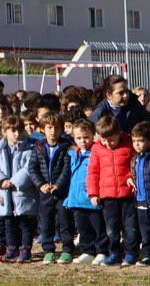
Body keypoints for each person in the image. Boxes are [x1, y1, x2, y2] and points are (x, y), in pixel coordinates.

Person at [88, 114, 136, 266]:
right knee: (111, 228)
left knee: (130, 227)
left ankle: (130, 252)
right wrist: (93, 193)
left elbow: (135, 164)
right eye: (104, 140)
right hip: (108, 196)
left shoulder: (129, 144)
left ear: (119, 134)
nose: (108, 144)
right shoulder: (97, 149)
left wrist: (130, 176)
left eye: (111, 140)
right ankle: (114, 252)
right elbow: (93, 171)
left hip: (128, 194)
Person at [33, 112, 72, 263]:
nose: (53, 131)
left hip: (62, 191)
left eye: (56, 127)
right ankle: (48, 249)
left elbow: (67, 168)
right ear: (43, 129)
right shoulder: (38, 146)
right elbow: (33, 168)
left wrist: (58, 185)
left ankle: (68, 248)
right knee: (46, 221)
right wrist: (40, 184)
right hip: (45, 191)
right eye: (49, 127)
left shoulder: (66, 147)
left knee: (65, 221)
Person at [0, 115, 39, 262]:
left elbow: (29, 167)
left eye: (19, 130)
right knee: (9, 221)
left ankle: (25, 249)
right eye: (13, 130)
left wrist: (14, 181)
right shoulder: (1, 148)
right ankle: (11, 248)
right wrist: (2, 180)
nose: (17, 134)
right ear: (5, 131)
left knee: (25, 222)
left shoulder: (30, 147)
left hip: (23, 192)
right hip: (5, 192)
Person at [64, 119, 101, 264]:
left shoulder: (96, 153)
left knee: (98, 227)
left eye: (86, 137)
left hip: (92, 199)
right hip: (77, 198)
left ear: (93, 135)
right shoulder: (73, 154)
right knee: (83, 228)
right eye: (78, 138)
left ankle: (101, 250)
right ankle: (87, 251)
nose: (83, 141)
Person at [129, 122, 150, 265]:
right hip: (140, 200)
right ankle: (149, 253)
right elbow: (133, 173)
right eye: (134, 141)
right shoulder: (135, 158)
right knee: (145, 231)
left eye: (141, 141)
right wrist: (130, 179)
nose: (137, 144)